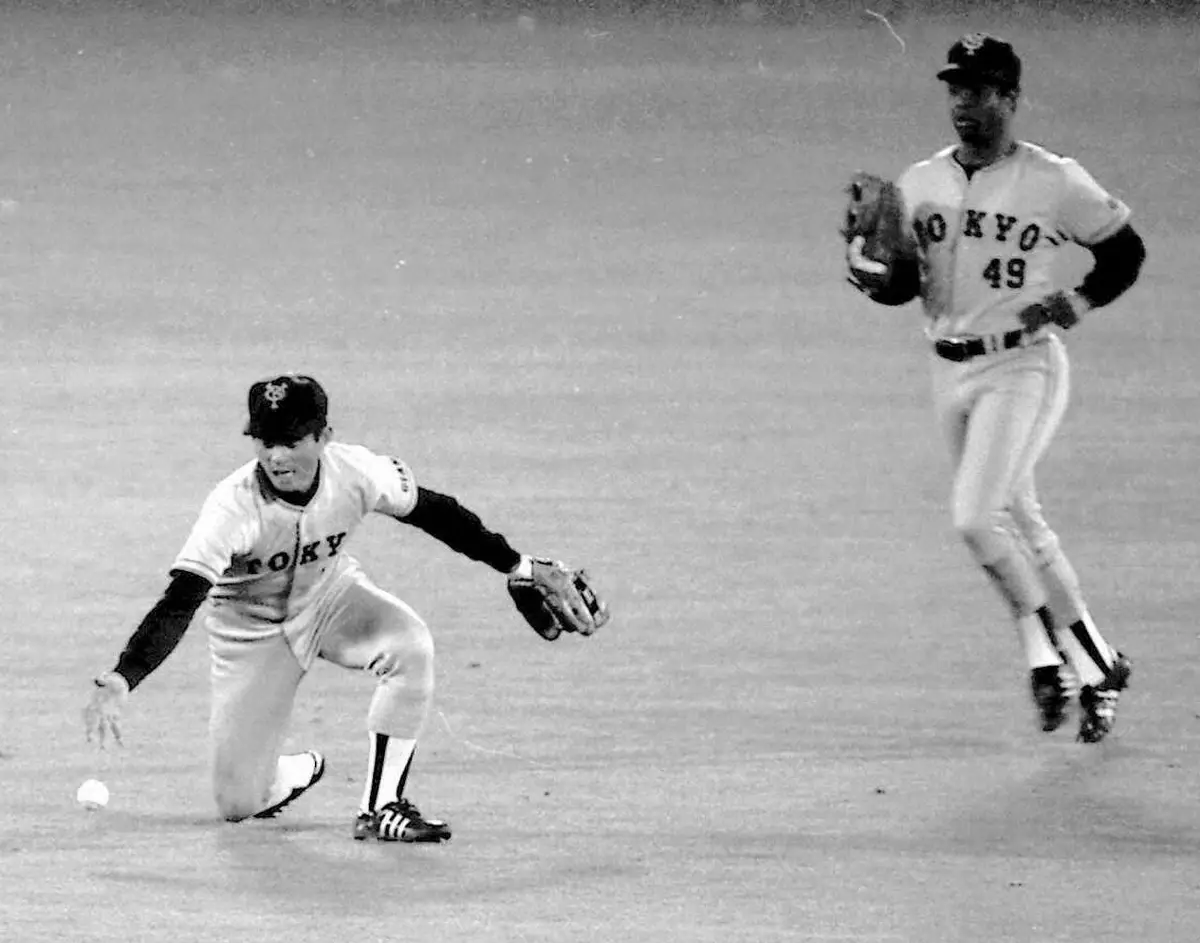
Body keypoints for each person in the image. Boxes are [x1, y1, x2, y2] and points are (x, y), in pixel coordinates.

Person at [83, 373, 607, 840]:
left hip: (330, 598)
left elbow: (435, 512)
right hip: (249, 634)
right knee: (238, 804)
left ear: (323, 436)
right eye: (265, 441)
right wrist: (126, 675)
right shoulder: (231, 506)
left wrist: (517, 565)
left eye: (291, 441)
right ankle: (293, 771)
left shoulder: (355, 472)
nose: (276, 456)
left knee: (410, 645)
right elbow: (181, 600)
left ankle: (381, 807)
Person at [846, 33, 1147, 742]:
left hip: (1022, 367)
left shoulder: (1053, 180)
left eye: (979, 91)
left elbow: (1125, 251)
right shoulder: (919, 182)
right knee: (1022, 526)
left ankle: (1052, 658)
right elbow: (905, 284)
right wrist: (873, 276)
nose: (964, 103)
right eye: (956, 89)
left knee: (975, 518)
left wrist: (1077, 303)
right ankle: (1099, 667)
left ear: (1010, 99)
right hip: (947, 368)